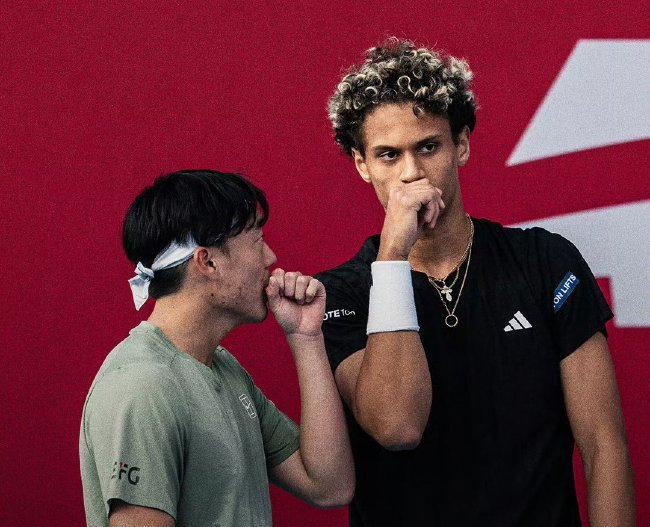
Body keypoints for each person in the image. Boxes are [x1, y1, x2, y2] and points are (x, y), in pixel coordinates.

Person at [316, 39, 635, 526]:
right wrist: (393, 257)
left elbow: (603, 445)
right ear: (362, 165)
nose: (411, 173)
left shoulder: (545, 261)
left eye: (428, 147)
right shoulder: (340, 293)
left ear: (460, 145)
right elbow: (397, 424)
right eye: (388, 155)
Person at [79, 169, 354, 527]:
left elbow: (329, 485)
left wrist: (306, 337)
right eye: (257, 240)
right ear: (207, 261)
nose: (270, 257)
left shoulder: (223, 370)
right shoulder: (142, 387)